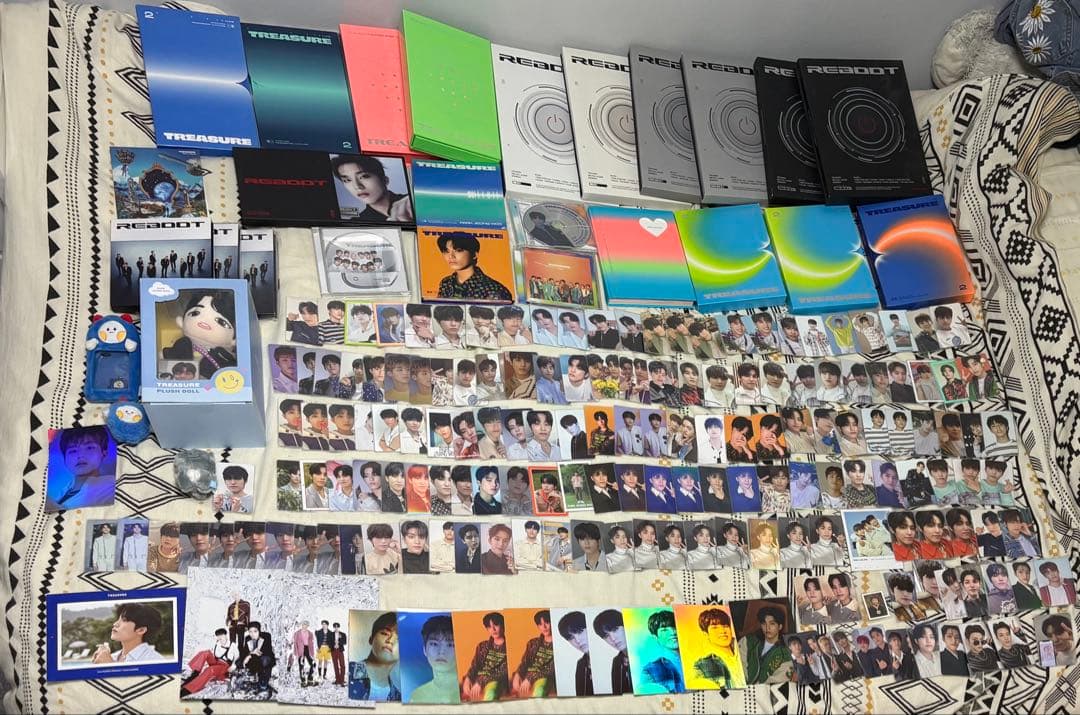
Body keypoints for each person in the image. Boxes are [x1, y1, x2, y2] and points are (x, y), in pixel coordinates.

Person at [47, 426, 114, 510]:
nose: (80, 455)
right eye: (73, 451)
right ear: (65, 458)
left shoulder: (111, 487)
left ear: (104, 453)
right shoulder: (64, 491)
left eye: (89, 448)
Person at [332, 154, 413, 222]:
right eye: (347, 180)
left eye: (364, 176)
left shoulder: (411, 201)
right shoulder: (358, 222)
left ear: (385, 180)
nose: (357, 186)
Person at [90, 602, 166, 664]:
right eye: (118, 619)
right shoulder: (112, 657)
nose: (115, 624)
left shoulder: (155, 661)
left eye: (124, 620)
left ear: (141, 630)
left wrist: (109, 665)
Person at [348, 613, 401, 701]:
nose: (390, 641)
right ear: (371, 638)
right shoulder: (349, 671)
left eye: (399, 640)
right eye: (385, 633)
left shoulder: (397, 696)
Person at [408, 615, 461, 704]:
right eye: (434, 644)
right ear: (424, 650)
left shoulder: (473, 691)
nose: (441, 652)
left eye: (450, 645)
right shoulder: (418, 696)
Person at [512, 610, 556, 698]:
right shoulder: (532, 643)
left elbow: (552, 668)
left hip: (546, 678)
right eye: (540, 624)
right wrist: (517, 675)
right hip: (527, 676)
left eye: (547, 622)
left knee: (539, 690)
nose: (544, 627)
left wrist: (530, 678)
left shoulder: (558, 644)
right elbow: (524, 663)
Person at [181, 628, 237, 695]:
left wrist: (233, 666)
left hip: (224, 667)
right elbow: (214, 654)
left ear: (225, 635)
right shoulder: (218, 644)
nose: (219, 638)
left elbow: (237, 657)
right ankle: (195, 673)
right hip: (217, 662)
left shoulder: (232, 645)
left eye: (221, 636)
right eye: (218, 636)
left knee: (209, 669)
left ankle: (189, 689)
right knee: (205, 653)